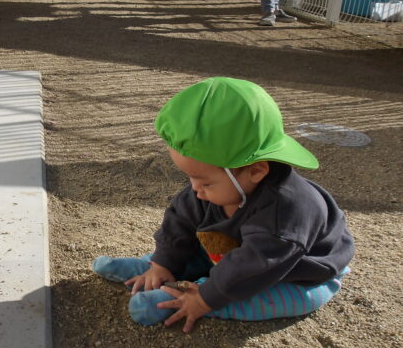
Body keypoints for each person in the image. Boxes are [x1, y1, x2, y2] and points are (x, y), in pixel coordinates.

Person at [93, 77, 354, 332]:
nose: (195, 188)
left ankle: (194, 298)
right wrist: (163, 262)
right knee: (202, 250)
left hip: (291, 272)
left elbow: (255, 266)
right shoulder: (221, 187)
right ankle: (159, 269)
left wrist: (205, 298)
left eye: (204, 181)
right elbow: (180, 218)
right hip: (235, 251)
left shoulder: (286, 215)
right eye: (191, 177)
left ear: (256, 171)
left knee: (275, 298)